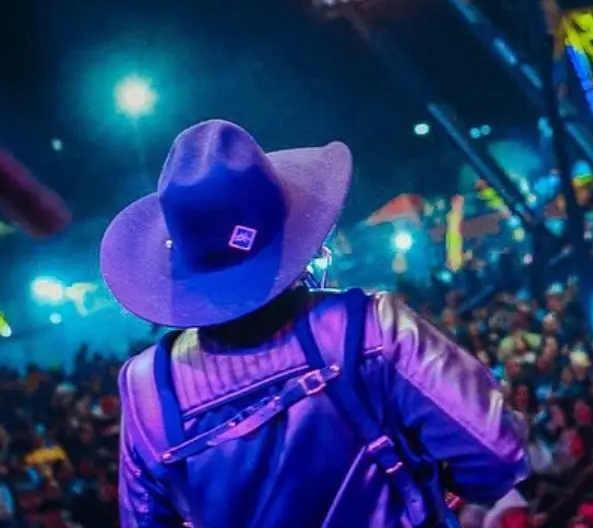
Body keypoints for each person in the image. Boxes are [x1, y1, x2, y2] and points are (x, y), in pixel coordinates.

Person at [101, 120, 527, 527]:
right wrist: (429, 482)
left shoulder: (146, 391)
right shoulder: (368, 327)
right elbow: (496, 453)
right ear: (289, 230)